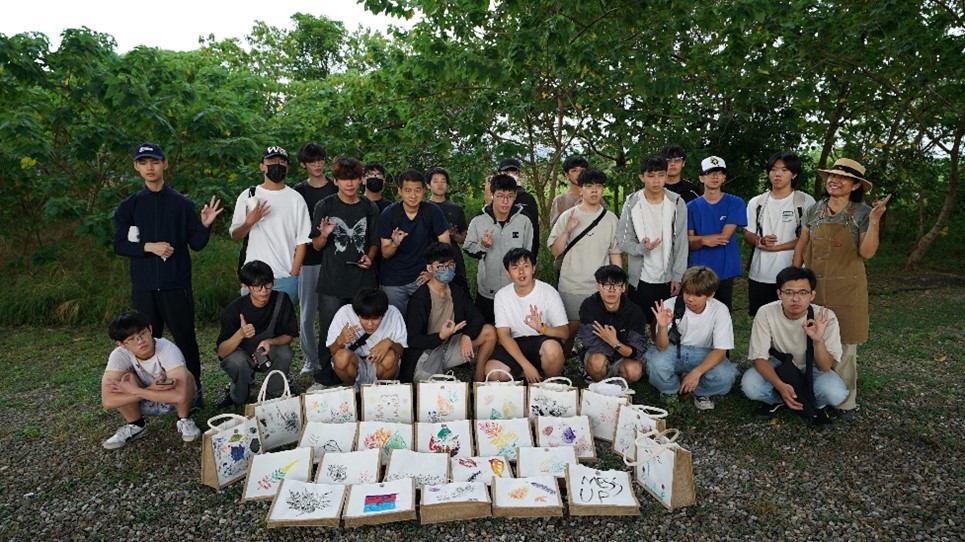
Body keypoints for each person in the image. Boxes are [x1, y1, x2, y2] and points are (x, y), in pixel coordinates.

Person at [112, 142, 222, 399]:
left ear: (165, 164)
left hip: (176, 284)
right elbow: (119, 244)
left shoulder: (181, 204)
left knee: (185, 339)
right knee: (147, 342)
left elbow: (197, 244)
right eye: (143, 163)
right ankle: (155, 392)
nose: (149, 167)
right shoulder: (129, 206)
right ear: (136, 167)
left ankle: (193, 391)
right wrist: (149, 246)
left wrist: (205, 225)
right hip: (144, 286)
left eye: (155, 162)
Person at [792, 158, 890, 420]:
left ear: (855, 185)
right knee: (812, 340)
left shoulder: (862, 213)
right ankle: (813, 394)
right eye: (832, 176)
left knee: (845, 347)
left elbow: (867, 253)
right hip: (814, 288)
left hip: (847, 290)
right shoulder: (814, 209)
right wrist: (793, 279)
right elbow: (801, 244)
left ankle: (845, 402)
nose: (835, 180)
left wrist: (875, 221)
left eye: (843, 178)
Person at [740, 266, 849, 423]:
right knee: (751, 386)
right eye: (789, 292)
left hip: (812, 365)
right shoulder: (766, 312)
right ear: (779, 294)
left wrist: (818, 340)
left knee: (835, 393)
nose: (795, 298)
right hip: (779, 363)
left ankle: (816, 404)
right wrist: (780, 386)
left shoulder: (824, 317)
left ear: (812, 295)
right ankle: (779, 400)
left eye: (803, 292)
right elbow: (758, 358)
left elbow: (825, 366)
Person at [308, 157, 381, 388]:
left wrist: (370, 257)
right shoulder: (325, 206)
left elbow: (374, 241)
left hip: (363, 280)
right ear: (336, 181)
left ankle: (363, 372)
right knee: (330, 329)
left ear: (360, 180)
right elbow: (316, 245)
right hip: (332, 280)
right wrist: (324, 234)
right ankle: (326, 376)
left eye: (354, 179)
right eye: (344, 179)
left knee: (366, 326)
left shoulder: (369, 206)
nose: (349, 184)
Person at [547, 168, 622, 354]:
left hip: (600, 287)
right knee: (568, 331)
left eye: (598, 186)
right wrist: (567, 231)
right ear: (580, 189)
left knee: (600, 330)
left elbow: (614, 253)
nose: (594, 190)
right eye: (589, 186)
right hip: (571, 284)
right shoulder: (568, 216)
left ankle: (594, 364)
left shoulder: (611, 219)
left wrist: (618, 283)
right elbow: (555, 251)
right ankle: (562, 361)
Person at [101, 310, 200, 449]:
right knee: (124, 380)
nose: (140, 341)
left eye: (142, 334)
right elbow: (108, 401)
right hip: (147, 399)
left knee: (186, 376)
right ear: (121, 344)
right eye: (132, 339)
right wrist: (149, 390)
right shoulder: (119, 355)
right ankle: (136, 425)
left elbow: (180, 395)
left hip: (173, 400)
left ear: (150, 329)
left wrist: (137, 391)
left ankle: (184, 419)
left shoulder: (167, 349)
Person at [401, 243, 498, 383]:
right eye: (441, 267)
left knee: (489, 331)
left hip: (449, 345)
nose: (447, 270)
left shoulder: (456, 290)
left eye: (450, 265)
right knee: (437, 389)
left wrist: (467, 335)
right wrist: (440, 336)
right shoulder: (419, 299)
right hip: (427, 351)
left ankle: (478, 381)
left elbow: (477, 316)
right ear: (430, 268)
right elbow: (413, 339)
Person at [647, 266, 739, 411]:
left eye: (697, 295)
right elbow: (661, 347)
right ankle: (670, 390)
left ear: (710, 295)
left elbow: (720, 351)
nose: (690, 299)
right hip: (674, 349)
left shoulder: (720, 310)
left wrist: (697, 372)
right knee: (655, 364)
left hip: (704, 352)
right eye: (687, 292)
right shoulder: (670, 305)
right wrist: (663, 327)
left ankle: (700, 391)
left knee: (726, 377)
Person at [228, 146, 311, 303]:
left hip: (285, 277)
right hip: (253, 277)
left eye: (282, 162)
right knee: (251, 318)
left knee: (282, 318)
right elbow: (235, 236)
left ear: (287, 168)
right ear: (262, 166)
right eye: (271, 161)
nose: (277, 165)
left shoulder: (296, 199)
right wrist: (249, 222)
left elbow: (302, 241)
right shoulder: (249, 195)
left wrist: (293, 273)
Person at [618, 155, 689, 329]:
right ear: (642, 177)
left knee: (663, 324)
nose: (656, 181)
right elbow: (623, 239)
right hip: (640, 277)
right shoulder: (632, 202)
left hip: (667, 277)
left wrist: (677, 276)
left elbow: (681, 242)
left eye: (661, 175)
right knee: (636, 323)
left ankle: (659, 346)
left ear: (666, 176)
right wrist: (641, 248)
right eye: (651, 176)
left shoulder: (676, 202)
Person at [215, 260, 298, 408]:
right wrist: (240, 334)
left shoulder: (281, 300)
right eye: (257, 286)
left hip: (268, 352)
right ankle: (238, 394)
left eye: (268, 284)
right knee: (236, 361)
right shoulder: (235, 309)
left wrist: (270, 342)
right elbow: (222, 352)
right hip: (242, 355)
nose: (264, 291)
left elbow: (289, 334)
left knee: (285, 352)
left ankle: (276, 390)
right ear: (245, 286)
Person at [744, 152, 815, 316]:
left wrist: (777, 247)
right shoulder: (757, 202)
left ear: (794, 174)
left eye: (784, 170)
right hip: (760, 273)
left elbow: (808, 238)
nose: (778, 174)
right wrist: (759, 240)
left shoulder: (805, 201)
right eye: (774, 169)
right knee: (762, 319)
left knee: (795, 319)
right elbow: (748, 233)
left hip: (794, 274)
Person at [487, 248, 569, 383]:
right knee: (493, 372)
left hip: (543, 340)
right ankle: (523, 375)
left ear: (533, 269)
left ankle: (550, 381)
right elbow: (504, 335)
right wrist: (526, 365)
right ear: (508, 273)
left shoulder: (548, 292)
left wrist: (542, 328)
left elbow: (564, 332)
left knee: (552, 350)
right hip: (516, 342)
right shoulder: (502, 296)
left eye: (526, 266)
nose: (521, 272)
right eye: (515, 268)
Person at [463, 174, 534, 324]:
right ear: (492, 194)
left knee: (514, 330)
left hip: (515, 289)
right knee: (487, 330)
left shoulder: (524, 220)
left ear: (515, 196)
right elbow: (468, 249)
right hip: (487, 290)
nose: (505, 201)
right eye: (500, 196)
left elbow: (529, 252)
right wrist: (483, 246)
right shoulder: (478, 220)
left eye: (510, 196)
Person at [379, 169, 451, 315]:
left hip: (422, 278)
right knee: (395, 321)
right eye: (408, 190)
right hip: (393, 280)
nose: (413, 195)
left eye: (417, 190)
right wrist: (395, 244)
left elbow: (446, 247)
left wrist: (434, 274)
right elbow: (385, 253)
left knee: (424, 321)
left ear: (424, 190)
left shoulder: (432, 211)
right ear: (400, 191)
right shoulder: (389, 214)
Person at [292, 142, 338, 375]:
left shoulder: (335, 187)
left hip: (334, 258)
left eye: (320, 160)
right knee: (307, 313)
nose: (317, 165)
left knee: (334, 312)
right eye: (312, 161)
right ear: (303, 164)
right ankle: (310, 359)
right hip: (308, 258)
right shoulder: (298, 191)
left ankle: (333, 356)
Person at [687, 155, 747, 310]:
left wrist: (698, 239)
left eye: (719, 173)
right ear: (701, 178)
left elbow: (723, 237)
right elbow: (688, 242)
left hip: (724, 267)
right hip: (698, 269)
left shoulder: (735, 203)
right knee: (697, 310)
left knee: (722, 311)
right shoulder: (691, 207)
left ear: (724, 178)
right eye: (710, 173)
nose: (715, 176)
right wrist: (703, 240)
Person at [577, 265, 648, 383]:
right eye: (606, 285)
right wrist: (618, 347)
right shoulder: (589, 306)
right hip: (598, 354)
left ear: (623, 288)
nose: (611, 290)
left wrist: (615, 343)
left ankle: (617, 384)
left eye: (617, 285)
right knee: (597, 362)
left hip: (623, 357)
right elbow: (589, 341)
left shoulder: (635, 312)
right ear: (597, 286)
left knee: (634, 371)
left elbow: (637, 351)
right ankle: (598, 381)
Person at [326, 288, 407, 385]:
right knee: (341, 357)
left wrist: (390, 343)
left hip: (379, 365)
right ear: (357, 314)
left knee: (391, 356)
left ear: (383, 314)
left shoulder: (393, 313)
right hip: (355, 363)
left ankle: (381, 389)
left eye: (375, 319)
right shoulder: (344, 313)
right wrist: (340, 340)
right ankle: (353, 389)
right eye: (365, 318)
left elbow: (401, 351)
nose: (370, 324)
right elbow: (333, 352)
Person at [484, 158, 541, 259]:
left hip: (520, 252)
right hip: (495, 252)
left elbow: (534, 230)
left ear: (518, 173)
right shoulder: (492, 198)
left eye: (513, 171)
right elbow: (485, 224)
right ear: (499, 174)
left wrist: (532, 257)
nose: (509, 175)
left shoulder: (527, 198)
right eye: (506, 172)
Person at [426, 166, 469, 287]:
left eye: (443, 181)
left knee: (458, 291)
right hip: (429, 258)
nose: (440, 184)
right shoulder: (423, 208)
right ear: (428, 185)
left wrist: (453, 235)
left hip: (453, 258)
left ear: (447, 185)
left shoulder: (456, 209)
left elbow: (464, 239)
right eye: (435, 181)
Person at [549, 155, 589, 227]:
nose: (579, 174)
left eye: (582, 171)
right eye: (574, 171)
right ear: (567, 175)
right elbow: (555, 229)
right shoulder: (560, 200)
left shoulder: (595, 197)